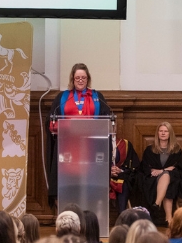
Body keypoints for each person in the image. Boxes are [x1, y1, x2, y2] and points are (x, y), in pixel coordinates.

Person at [45, 63, 112, 206]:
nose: (80, 80)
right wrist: (69, 125)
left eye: (83, 77)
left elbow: (107, 121)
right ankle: (65, 214)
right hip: (67, 147)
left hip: (91, 148)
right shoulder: (62, 98)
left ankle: (88, 215)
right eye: (77, 78)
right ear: (72, 79)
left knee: (88, 184)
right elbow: (51, 121)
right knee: (65, 184)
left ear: (88, 79)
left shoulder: (97, 97)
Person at [139, 122, 182, 225]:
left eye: (166, 131)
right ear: (157, 133)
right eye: (161, 131)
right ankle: (168, 219)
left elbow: (179, 167)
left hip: (173, 178)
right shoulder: (150, 150)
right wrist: (155, 171)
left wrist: (163, 171)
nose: (163, 133)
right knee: (166, 180)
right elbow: (144, 167)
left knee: (168, 179)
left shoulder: (176, 150)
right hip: (152, 178)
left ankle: (157, 204)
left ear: (170, 134)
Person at [111, 136, 140, 213]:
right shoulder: (97, 142)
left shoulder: (125, 144)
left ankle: (122, 215)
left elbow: (133, 165)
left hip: (120, 175)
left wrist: (120, 170)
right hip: (100, 175)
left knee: (124, 183)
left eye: (113, 124)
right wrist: (108, 171)